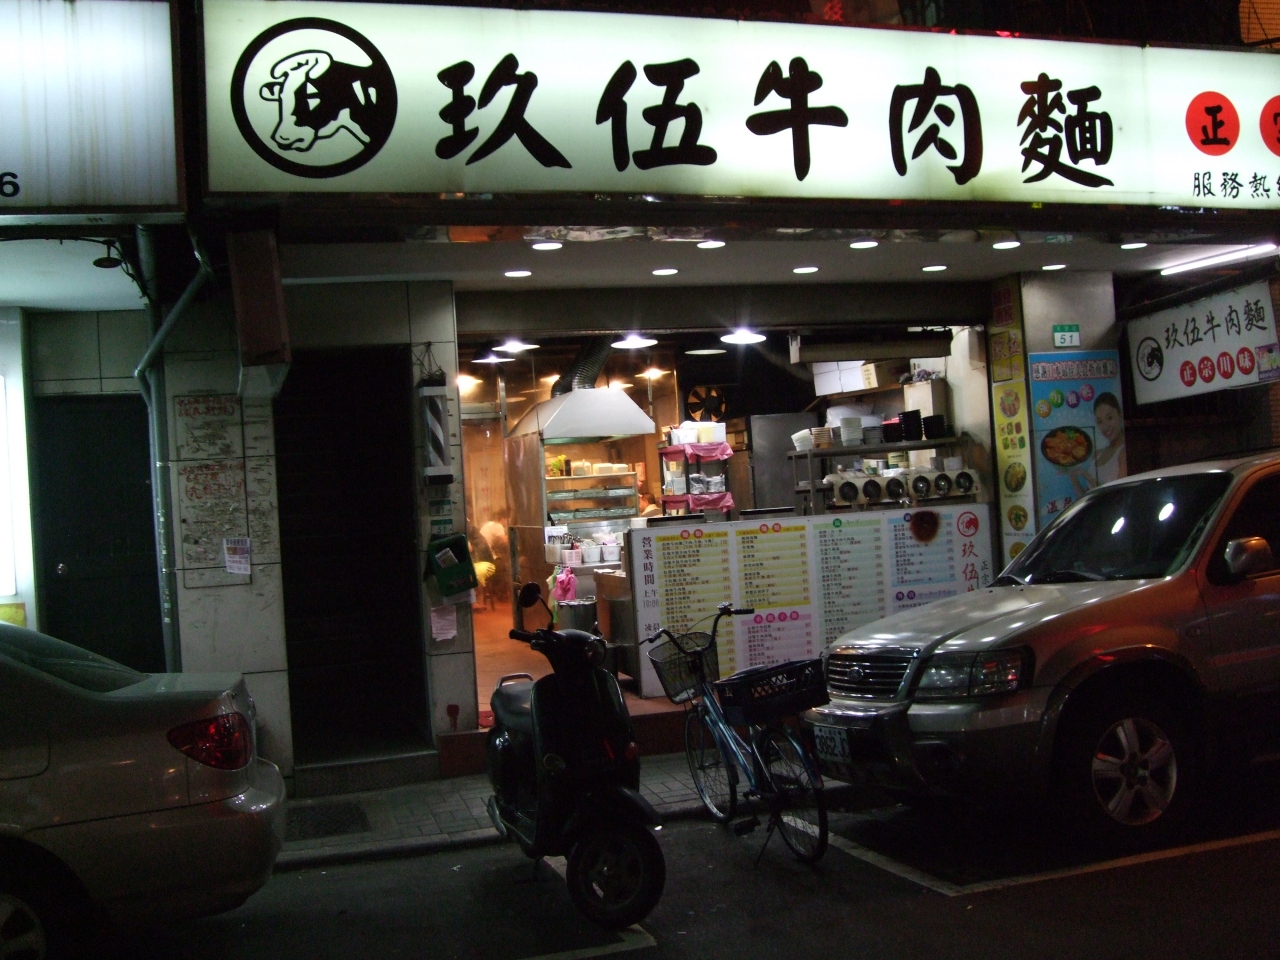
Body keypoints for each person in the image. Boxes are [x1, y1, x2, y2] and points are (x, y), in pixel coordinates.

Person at [1093, 392, 1127, 486]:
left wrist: (1085, 475)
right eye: (1100, 421)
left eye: (1109, 418)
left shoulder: (1124, 453)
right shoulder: (1097, 455)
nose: (1106, 427)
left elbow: (1120, 490)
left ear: (1120, 415)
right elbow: (1087, 493)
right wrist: (1073, 476)